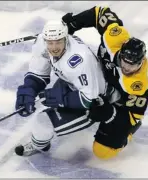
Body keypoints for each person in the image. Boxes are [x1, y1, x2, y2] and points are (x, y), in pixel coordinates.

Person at [14, 20, 113, 156]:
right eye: (50, 42)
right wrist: (28, 90)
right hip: (72, 83)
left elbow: (89, 99)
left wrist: (61, 98)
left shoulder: (79, 60)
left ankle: (39, 145)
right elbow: (39, 72)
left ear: (66, 38)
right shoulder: (42, 42)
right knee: (47, 96)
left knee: (42, 122)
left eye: (58, 42)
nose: (54, 47)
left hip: (96, 103)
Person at [62, 6, 148, 159]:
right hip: (99, 77)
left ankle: (128, 134)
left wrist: (110, 113)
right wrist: (73, 23)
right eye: (124, 61)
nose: (127, 67)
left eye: (132, 65)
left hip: (123, 104)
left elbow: (132, 114)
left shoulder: (140, 84)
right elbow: (99, 13)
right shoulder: (114, 38)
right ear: (120, 52)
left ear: (141, 62)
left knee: (103, 152)